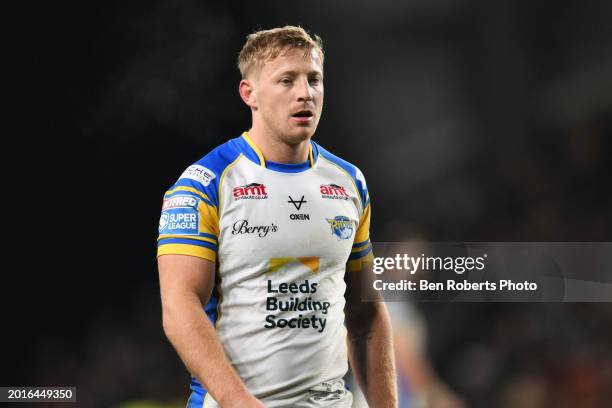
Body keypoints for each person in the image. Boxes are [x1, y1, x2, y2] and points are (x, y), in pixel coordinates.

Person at [157, 26, 397, 408]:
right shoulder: (205, 183)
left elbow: (366, 316)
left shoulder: (349, 181)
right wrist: (240, 403)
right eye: (286, 80)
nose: (305, 93)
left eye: (313, 79)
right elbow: (178, 307)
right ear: (249, 94)